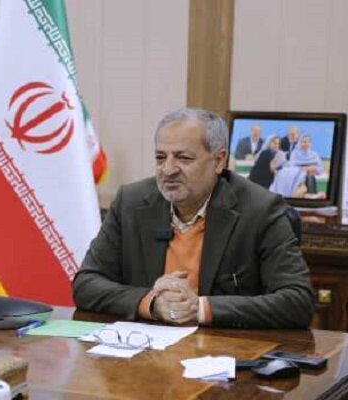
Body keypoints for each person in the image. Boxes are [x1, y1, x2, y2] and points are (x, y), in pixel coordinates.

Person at [72, 108, 315, 329]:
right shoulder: (131, 203)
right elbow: (86, 284)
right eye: (160, 157)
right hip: (144, 349)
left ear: (218, 161)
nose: (168, 170)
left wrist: (199, 308)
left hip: (225, 351)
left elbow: (298, 301)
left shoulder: (261, 210)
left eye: (184, 158)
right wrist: (152, 302)